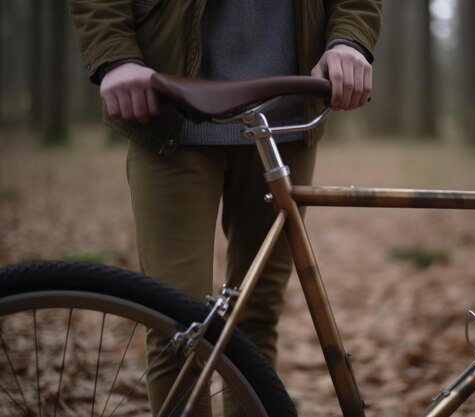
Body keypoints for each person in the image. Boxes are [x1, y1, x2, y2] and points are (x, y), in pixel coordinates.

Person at [68, 1, 382, 415]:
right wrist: (115, 55)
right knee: (176, 326)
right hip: (169, 108)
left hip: (285, 117)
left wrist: (348, 39)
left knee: (256, 320)